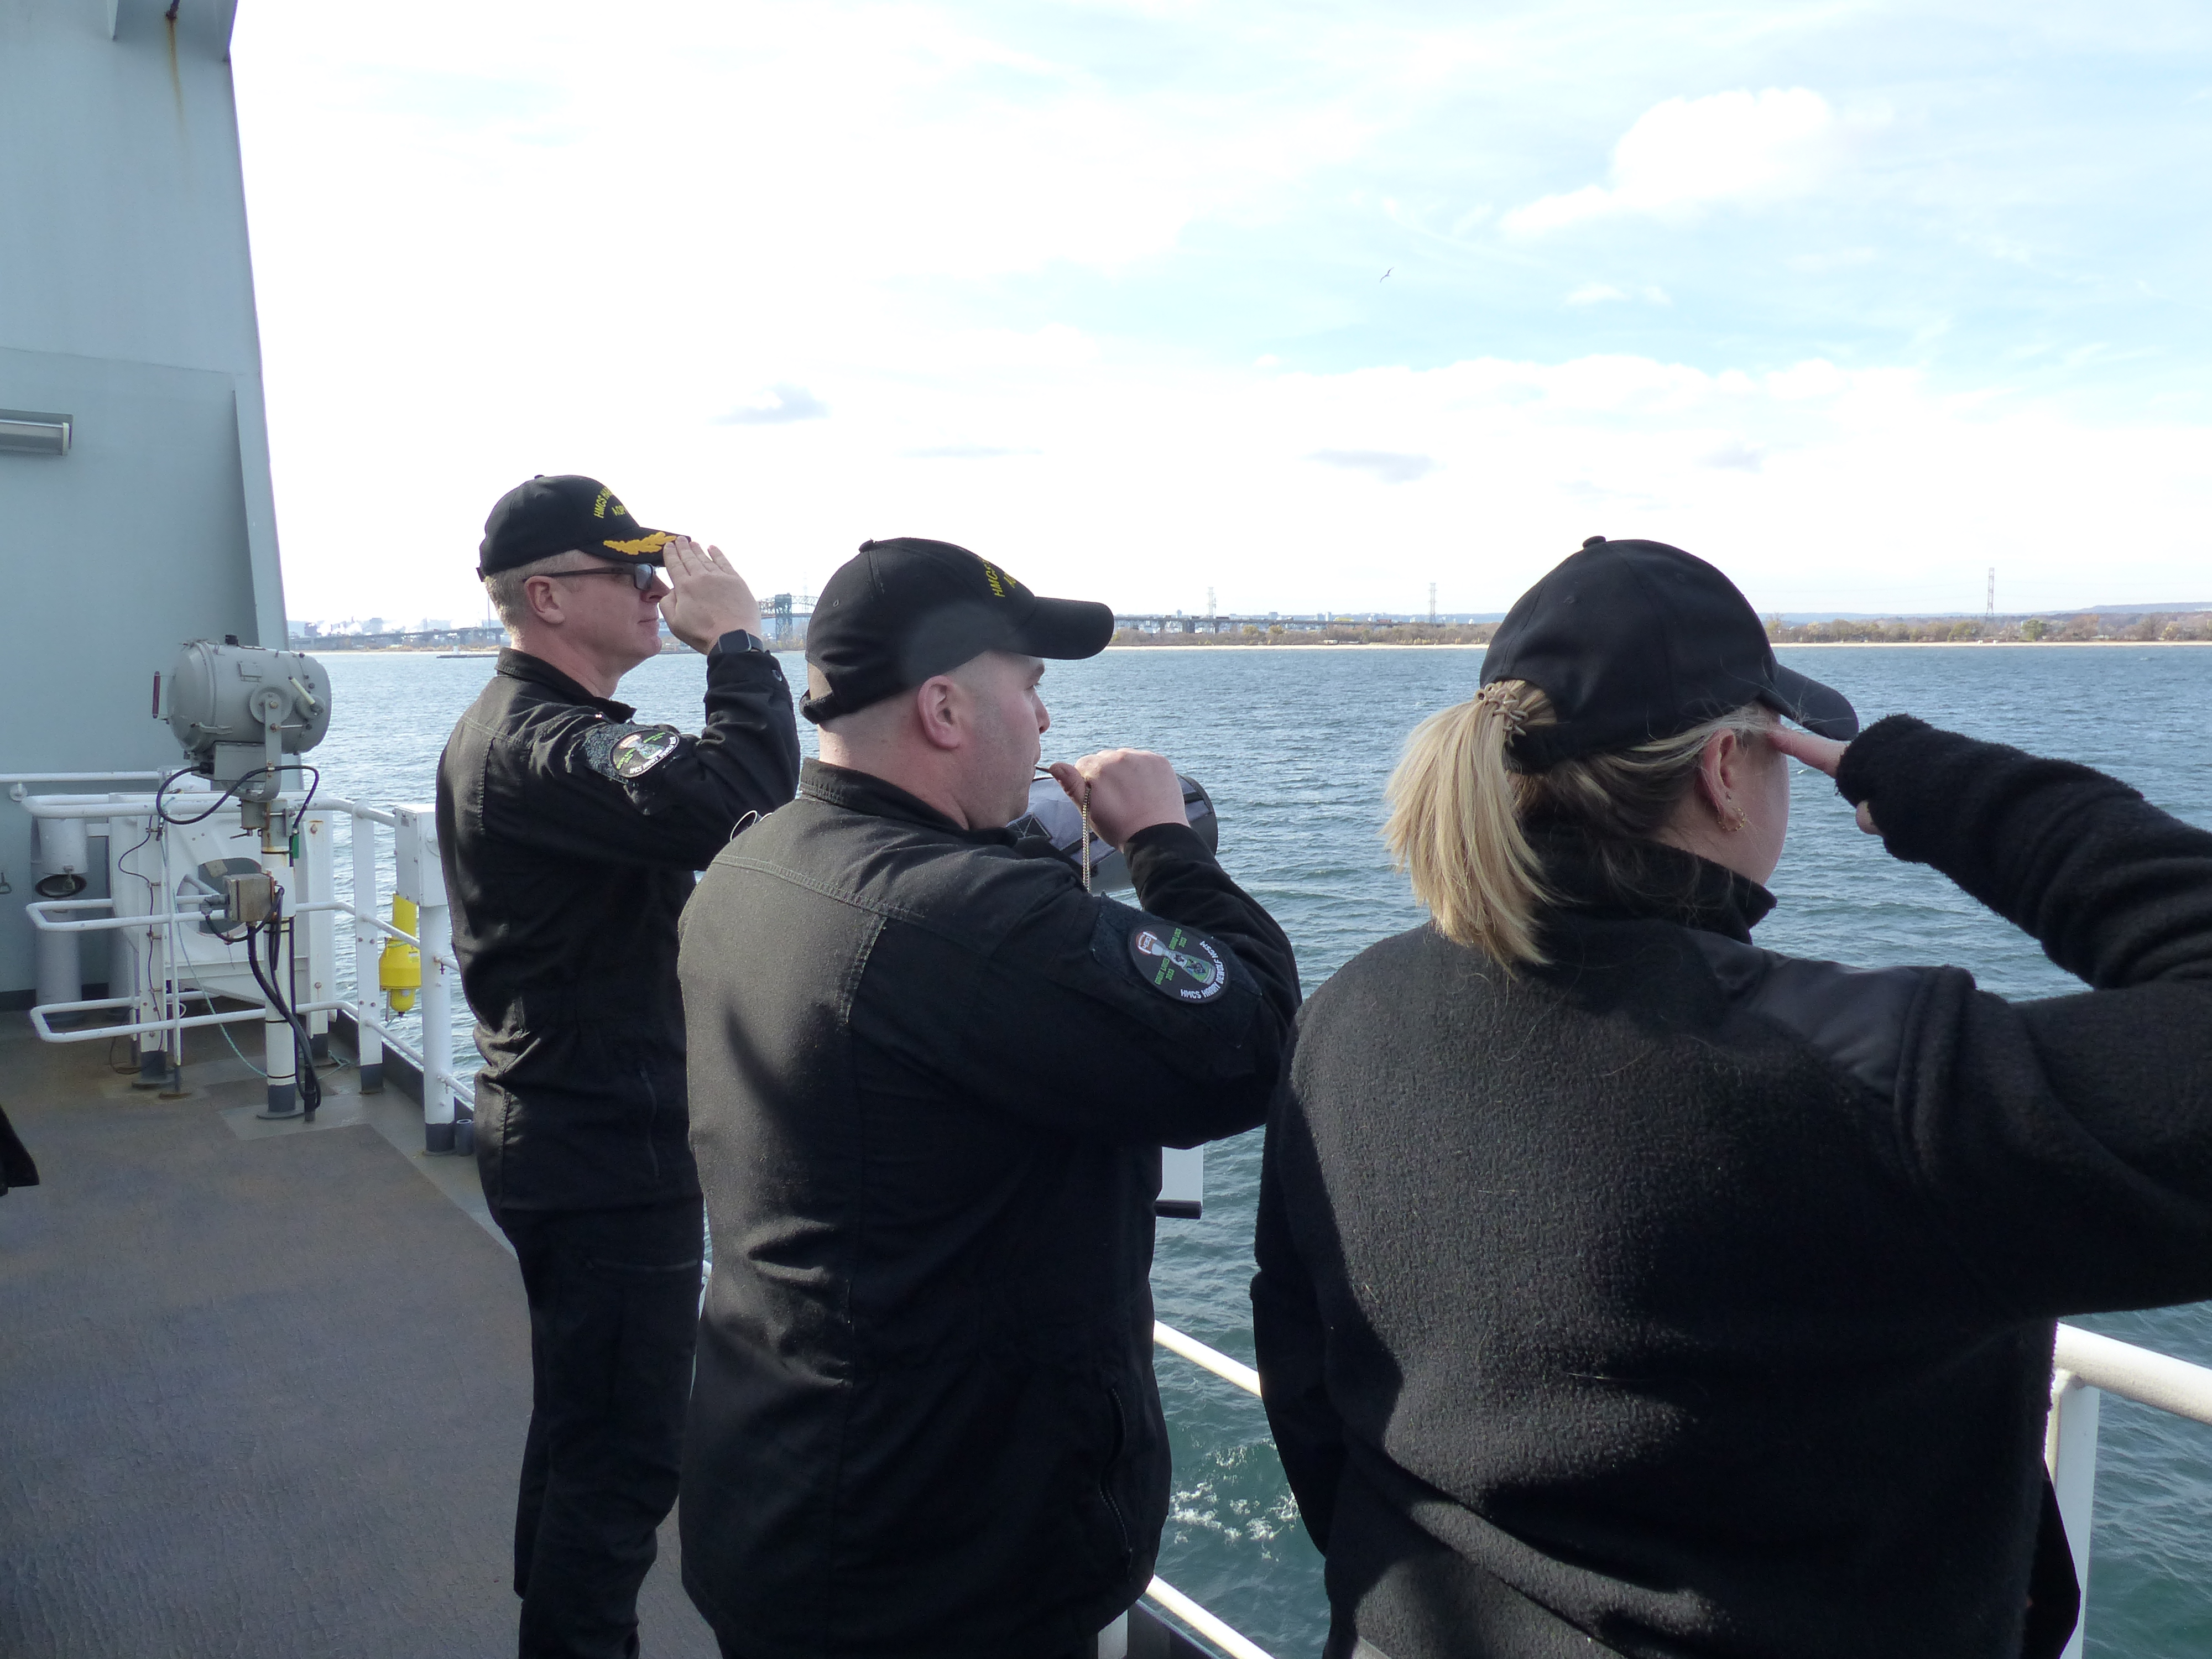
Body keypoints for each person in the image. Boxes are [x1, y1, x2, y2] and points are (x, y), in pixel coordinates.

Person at [1252, 535, 2212, 1659]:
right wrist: (1926, 783)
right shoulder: (1859, 1074)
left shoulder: (1350, 1011)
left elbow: (1307, 1375)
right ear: (1722, 769)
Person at [675, 536, 1301, 1658]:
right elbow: (1252, 1039)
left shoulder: (753, 862)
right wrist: (1160, 841)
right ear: (946, 709)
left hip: (788, 1490)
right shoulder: (968, 922)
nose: (1047, 725)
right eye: (1031, 687)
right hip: (939, 1568)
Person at [435, 474, 802, 1659]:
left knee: (583, 1426)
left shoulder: (529, 730)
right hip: (600, 1149)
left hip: (567, 1129)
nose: (656, 589)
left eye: (661, 571)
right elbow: (746, 798)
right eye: (628, 573)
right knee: (626, 1453)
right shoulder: (542, 741)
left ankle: (550, 1624)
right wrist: (737, 640)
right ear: (546, 597)